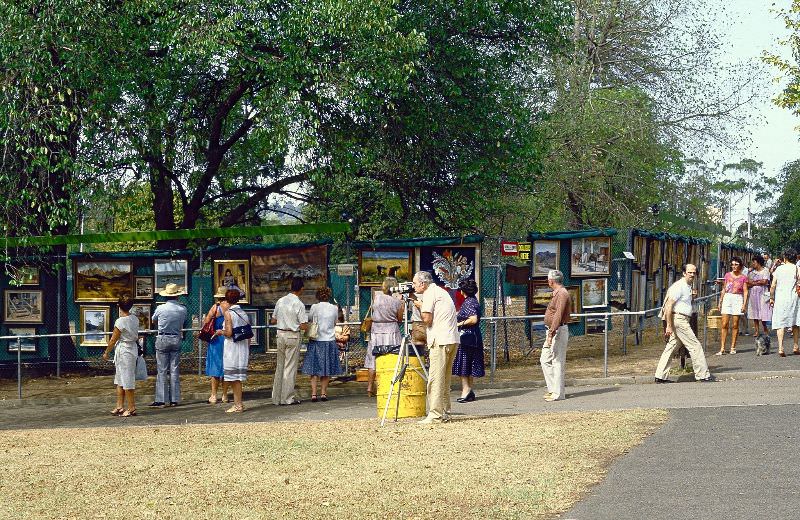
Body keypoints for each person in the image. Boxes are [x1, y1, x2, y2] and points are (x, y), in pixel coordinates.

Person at [412, 271, 459, 424]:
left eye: (414, 284)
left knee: (435, 378)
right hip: (451, 339)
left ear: (422, 284)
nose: (413, 287)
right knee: (444, 379)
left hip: (440, 340)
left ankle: (435, 414)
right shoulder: (440, 291)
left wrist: (420, 306)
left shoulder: (430, 293)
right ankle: (445, 412)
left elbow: (427, 320)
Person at [654, 264, 714, 383]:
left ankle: (660, 376)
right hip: (679, 319)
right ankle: (702, 375)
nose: (692, 274)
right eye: (689, 272)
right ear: (684, 273)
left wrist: (691, 297)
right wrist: (669, 326)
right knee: (695, 346)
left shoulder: (687, 286)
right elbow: (668, 306)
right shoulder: (679, 286)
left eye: (694, 272)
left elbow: (682, 303)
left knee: (671, 347)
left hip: (682, 318)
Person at [270, 277, 308, 405]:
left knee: (280, 366)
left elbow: (273, 320)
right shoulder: (299, 304)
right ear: (301, 289)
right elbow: (303, 325)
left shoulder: (280, 301)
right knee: (290, 367)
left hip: (280, 334)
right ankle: (287, 398)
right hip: (292, 335)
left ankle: (276, 397)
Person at [150, 283, 187, 407]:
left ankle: (161, 399)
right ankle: (174, 399)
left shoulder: (161, 308)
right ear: (177, 296)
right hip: (176, 337)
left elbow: (153, 320)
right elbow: (183, 321)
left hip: (163, 337)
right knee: (174, 369)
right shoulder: (183, 309)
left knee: (162, 370)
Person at [365, 277, 404, 397]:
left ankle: (370, 387)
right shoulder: (397, 302)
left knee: (373, 359)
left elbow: (373, 312)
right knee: (393, 358)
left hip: (376, 330)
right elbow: (399, 319)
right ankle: (390, 386)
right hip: (391, 331)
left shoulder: (377, 298)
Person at [102, 294, 139, 417]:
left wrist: (107, 352)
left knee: (127, 379)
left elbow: (113, 339)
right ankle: (119, 406)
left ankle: (132, 407)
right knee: (119, 379)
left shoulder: (120, 321)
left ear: (119, 306)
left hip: (125, 351)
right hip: (129, 349)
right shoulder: (135, 318)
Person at [301, 287, 341, 402]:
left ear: (318, 296)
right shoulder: (334, 308)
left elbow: (310, 319)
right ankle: (323, 393)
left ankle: (314, 394)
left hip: (316, 340)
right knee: (326, 369)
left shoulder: (314, 307)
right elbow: (335, 322)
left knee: (314, 368)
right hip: (329, 340)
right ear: (328, 295)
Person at [216, 288, 250, 413]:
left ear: (227, 300)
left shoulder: (228, 313)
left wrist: (220, 332)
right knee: (237, 378)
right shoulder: (243, 312)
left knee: (234, 378)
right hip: (242, 347)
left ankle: (238, 405)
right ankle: (238, 403)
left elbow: (229, 332)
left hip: (232, 348)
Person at [540, 270, 572, 401]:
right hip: (552, 330)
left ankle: (558, 394)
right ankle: (553, 389)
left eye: (548, 280)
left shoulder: (562, 294)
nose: (548, 282)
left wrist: (551, 334)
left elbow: (558, 315)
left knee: (557, 362)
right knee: (544, 359)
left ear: (551, 281)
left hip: (557, 331)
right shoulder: (557, 293)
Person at [452, 278, 484, 403]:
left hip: (467, 337)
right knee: (468, 364)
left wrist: (459, 324)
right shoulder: (472, 301)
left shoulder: (469, 302)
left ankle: (466, 390)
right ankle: (468, 390)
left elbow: (473, 319)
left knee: (464, 364)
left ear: (462, 291)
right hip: (472, 337)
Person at [769, 249, 800, 356]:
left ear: (785, 257)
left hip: (781, 299)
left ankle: (781, 348)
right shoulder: (797, 268)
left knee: (780, 323)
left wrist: (771, 297)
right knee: (795, 322)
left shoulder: (779, 269)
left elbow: (773, 286)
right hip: (794, 299)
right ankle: (796, 346)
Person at [203, 286, 231, 404]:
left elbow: (206, 321)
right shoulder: (231, 307)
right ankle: (225, 395)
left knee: (215, 367)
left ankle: (213, 395)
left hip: (215, 339)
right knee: (226, 367)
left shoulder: (215, 307)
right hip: (228, 339)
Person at [716, 256, 749, 355]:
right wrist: (720, 301)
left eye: (736, 265)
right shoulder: (727, 275)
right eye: (733, 264)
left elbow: (745, 291)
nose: (734, 266)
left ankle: (733, 347)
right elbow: (724, 288)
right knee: (724, 324)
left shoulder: (743, 277)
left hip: (738, 298)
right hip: (727, 297)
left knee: (735, 324)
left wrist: (744, 304)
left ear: (740, 266)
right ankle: (722, 347)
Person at [747, 255, 773, 338]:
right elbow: (748, 283)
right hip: (753, 294)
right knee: (755, 312)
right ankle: (757, 330)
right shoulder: (751, 272)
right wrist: (757, 282)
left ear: (758, 262)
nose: (753, 264)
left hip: (762, 294)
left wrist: (754, 282)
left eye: (754, 262)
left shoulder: (765, 270)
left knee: (763, 312)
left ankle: (765, 329)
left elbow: (765, 282)